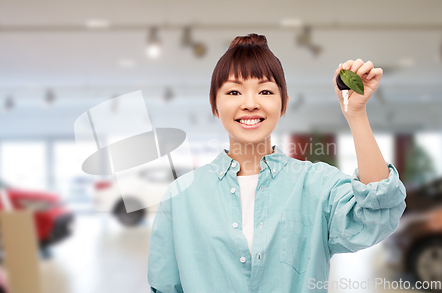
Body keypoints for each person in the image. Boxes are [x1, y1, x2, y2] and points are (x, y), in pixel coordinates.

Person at [147, 33, 406, 293]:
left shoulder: (316, 184)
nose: (250, 104)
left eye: (265, 91)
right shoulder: (181, 197)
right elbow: (164, 287)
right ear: (214, 104)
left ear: (283, 104)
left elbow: (377, 215)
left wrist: (356, 114)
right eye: (234, 91)